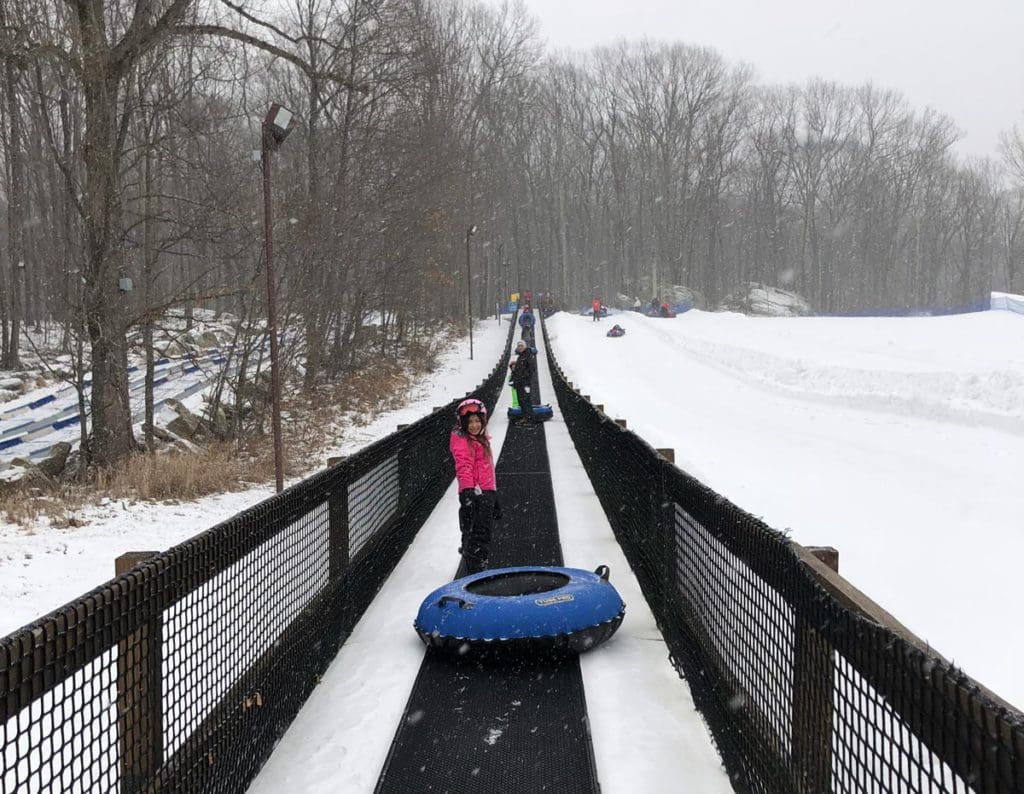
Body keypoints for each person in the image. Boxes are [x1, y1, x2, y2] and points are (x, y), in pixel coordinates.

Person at [450, 398, 499, 573]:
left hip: (486, 492)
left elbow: (487, 468)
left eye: (477, 421)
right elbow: (464, 465)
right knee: (478, 532)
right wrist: (467, 490)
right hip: (474, 493)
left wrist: (493, 496)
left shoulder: (481, 438)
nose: (474, 425)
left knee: (481, 529)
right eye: (470, 422)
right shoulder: (463, 440)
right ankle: (475, 566)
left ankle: (474, 556)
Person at [510, 339, 536, 422]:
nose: (520, 347)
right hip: (519, 383)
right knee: (521, 400)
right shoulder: (520, 356)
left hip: (525, 383)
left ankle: (529, 418)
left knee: (526, 400)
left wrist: (525, 377)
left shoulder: (528, 355)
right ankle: (525, 417)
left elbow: (532, 368)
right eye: (519, 346)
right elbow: (517, 370)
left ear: (524, 347)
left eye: (521, 346)